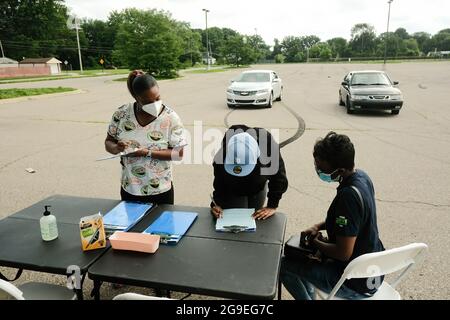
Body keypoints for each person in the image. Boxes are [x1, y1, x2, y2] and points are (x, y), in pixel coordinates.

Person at [280, 131, 385, 300]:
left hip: (354, 283)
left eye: (321, 167)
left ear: (340, 170)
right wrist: (318, 227)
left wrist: (315, 242)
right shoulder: (362, 177)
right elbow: (352, 220)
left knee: (284, 265)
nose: (318, 169)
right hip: (373, 272)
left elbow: (343, 253)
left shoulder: (348, 197)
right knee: (304, 260)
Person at [104, 70, 186, 205]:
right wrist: (116, 148)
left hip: (160, 190)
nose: (155, 104)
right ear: (137, 98)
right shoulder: (121, 114)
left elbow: (178, 154)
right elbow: (108, 142)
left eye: (158, 98)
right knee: (133, 226)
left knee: (161, 226)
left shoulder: (171, 118)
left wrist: (146, 153)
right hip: (130, 189)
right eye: (148, 102)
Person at [210, 124, 288, 220]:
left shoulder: (268, 147)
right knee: (237, 221)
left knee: (255, 218)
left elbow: (279, 178)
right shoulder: (221, 158)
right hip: (232, 189)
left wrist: (272, 205)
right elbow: (219, 180)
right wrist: (216, 204)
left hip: (256, 186)